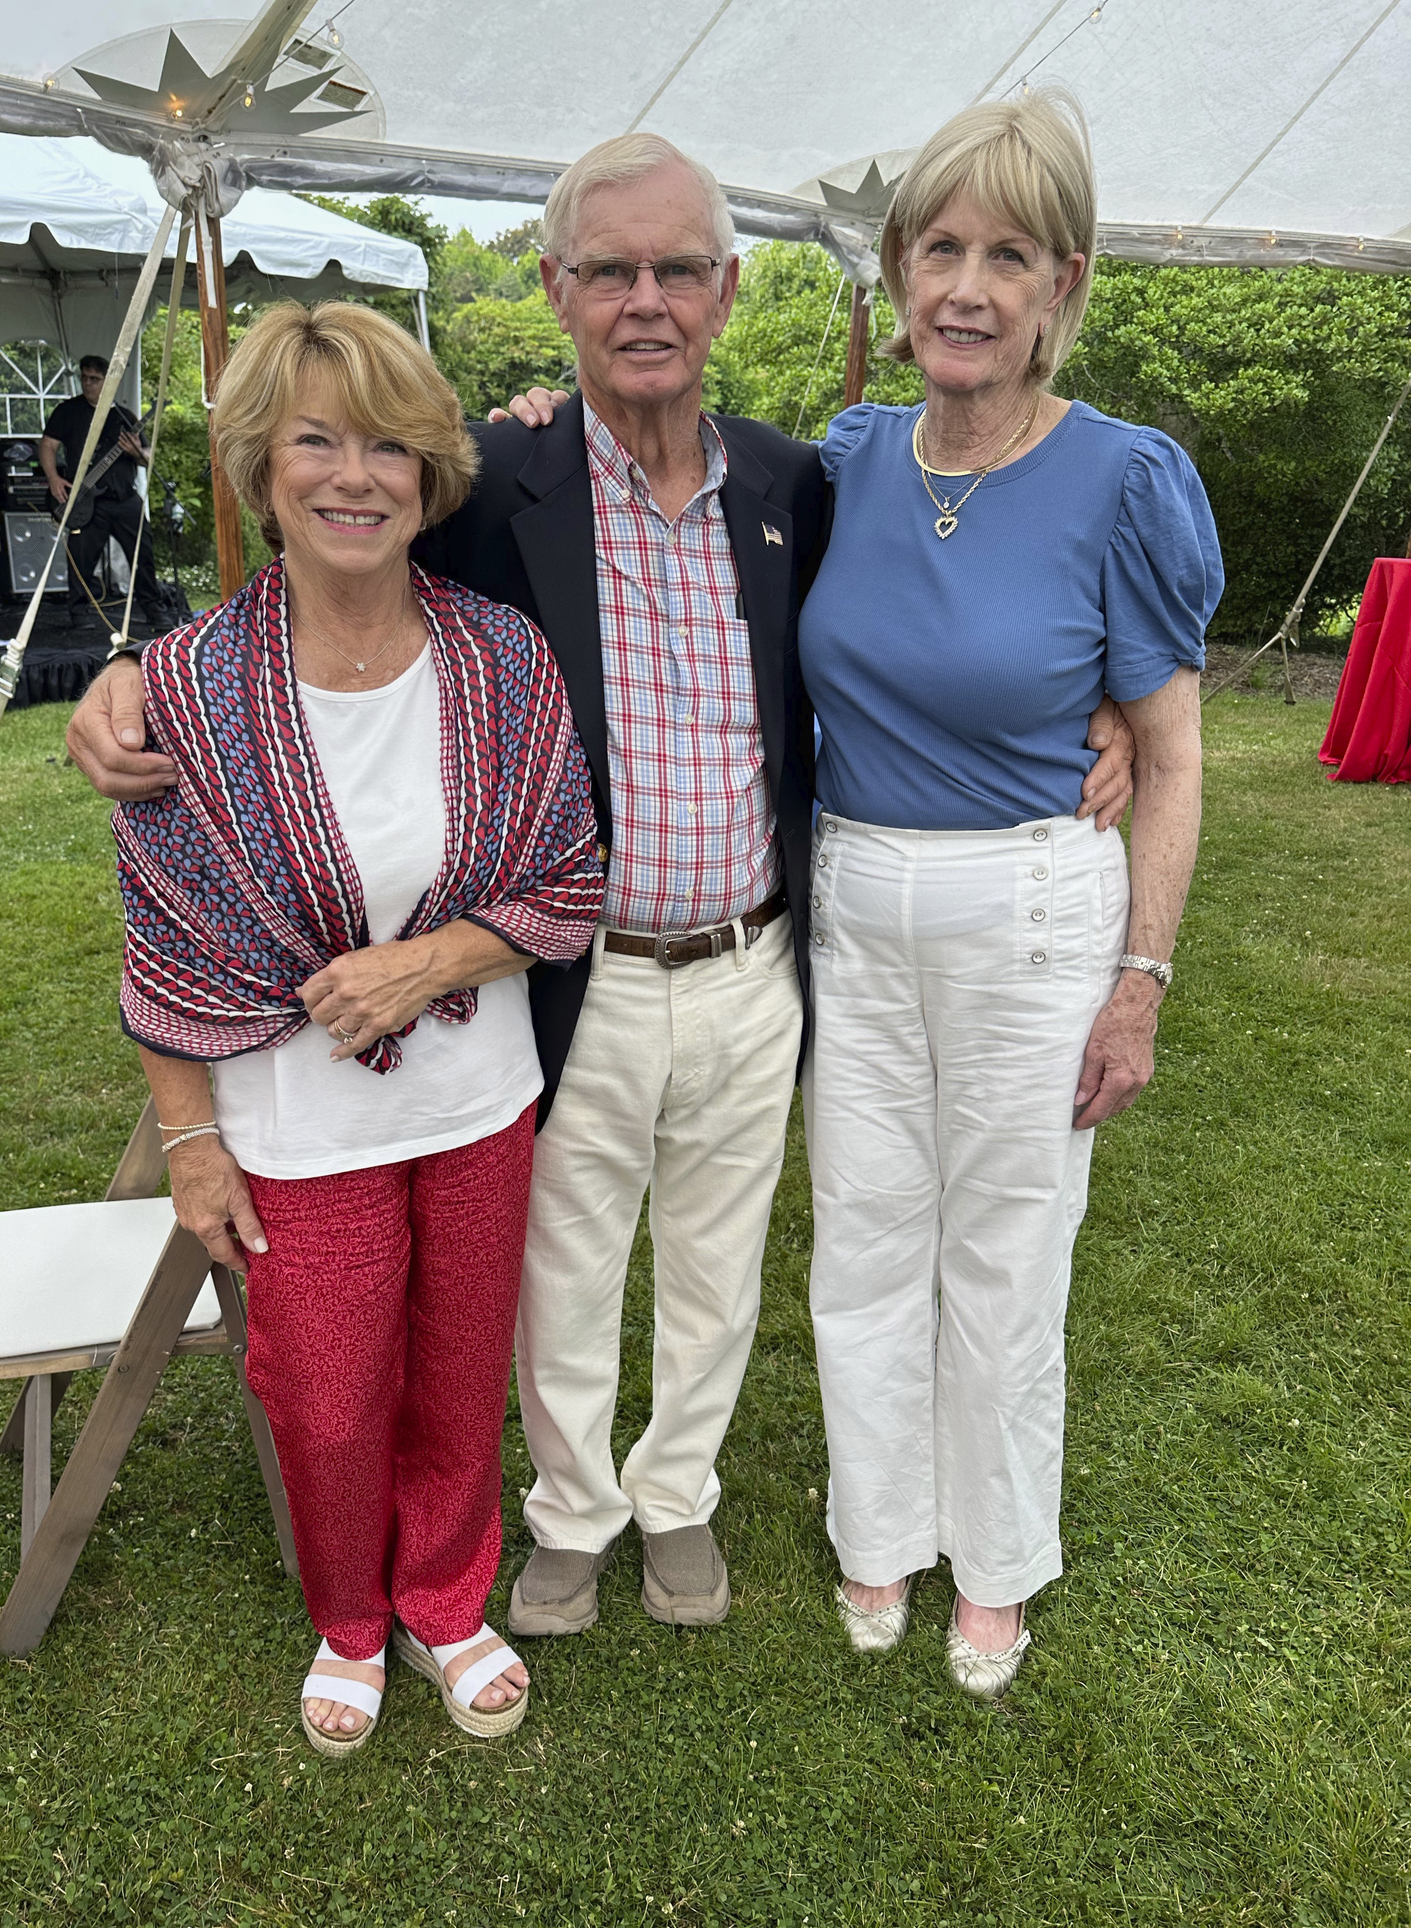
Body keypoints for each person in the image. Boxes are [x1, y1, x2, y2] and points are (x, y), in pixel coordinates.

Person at [68, 134, 1132, 1651]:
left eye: (677, 269)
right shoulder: (492, 480)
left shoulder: (798, 482)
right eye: (611, 271)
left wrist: (1094, 713)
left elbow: (928, 612)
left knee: (720, 1248)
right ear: (559, 290)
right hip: (569, 962)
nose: (648, 300)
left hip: (758, 954)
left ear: (728, 288)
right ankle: (570, 1512)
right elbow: (320, 539)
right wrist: (128, 676)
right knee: (565, 1253)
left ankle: (678, 1493)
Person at [112, 300, 603, 1754]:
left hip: (474, 1100)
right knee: (328, 1398)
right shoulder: (184, 692)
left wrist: (427, 961)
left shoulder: (501, 658)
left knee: (458, 1374)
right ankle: (348, 1616)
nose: (354, 475)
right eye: (316, 441)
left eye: (389, 444)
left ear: (430, 474)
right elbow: (162, 933)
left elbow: (567, 871)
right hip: (290, 1124)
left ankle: (447, 1600)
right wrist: (193, 1143)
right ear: (262, 470)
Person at [797, 88, 1222, 1696]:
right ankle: (879, 1529)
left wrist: (1143, 977)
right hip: (856, 901)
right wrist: (541, 424)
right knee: (863, 1241)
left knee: (1008, 1256)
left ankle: (999, 1561)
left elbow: (1174, 759)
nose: (965, 285)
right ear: (901, 271)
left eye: (1009, 254)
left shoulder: (1122, 478)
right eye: (940, 248)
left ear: (1064, 285)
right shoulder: (850, 459)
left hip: (1038, 916)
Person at [39, 355, 168, 629]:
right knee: (81, 557)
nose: (87, 383)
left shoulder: (124, 416)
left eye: (94, 379)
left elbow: (147, 457)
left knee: (142, 556)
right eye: (84, 377)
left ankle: (154, 611)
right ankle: (79, 613)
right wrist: (53, 478)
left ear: (108, 381)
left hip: (124, 499)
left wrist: (136, 452)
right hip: (87, 501)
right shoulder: (67, 411)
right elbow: (48, 446)